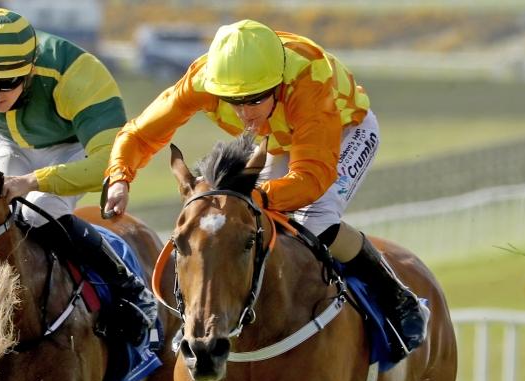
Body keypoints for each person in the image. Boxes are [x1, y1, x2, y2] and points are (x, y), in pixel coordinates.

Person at [104, 19, 427, 358]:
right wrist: (119, 177)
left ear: (278, 84)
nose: (244, 114)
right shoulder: (205, 79)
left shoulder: (308, 81)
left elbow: (311, 179)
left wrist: (257, 197)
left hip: (343, 130)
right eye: (233, 101)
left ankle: (398, 300)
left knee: (315, 220)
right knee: (235, 227)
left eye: (254, 100)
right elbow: (140, 133)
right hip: (280, 138)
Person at [0, 8, 156, 346]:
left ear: (31, 68)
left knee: (38, 210)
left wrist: (32, 181)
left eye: (7, 82)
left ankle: (129, 288)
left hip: (72, 148)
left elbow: (109, 163)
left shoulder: (78, 74)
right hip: (5, 141)